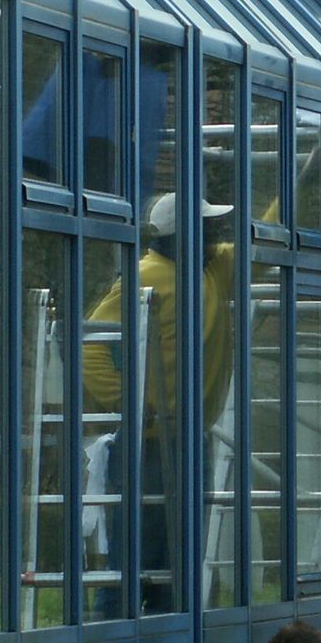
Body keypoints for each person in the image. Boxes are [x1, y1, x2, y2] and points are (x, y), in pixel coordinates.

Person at [81, 191, 239, 612]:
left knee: (177, 571)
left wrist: (302, 176)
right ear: (179, 235)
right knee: (130, 570)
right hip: (149, 446)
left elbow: (254, 242)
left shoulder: (208, 269)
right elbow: (89, 345)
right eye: (206, 227)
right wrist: (132, 401)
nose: (216, 234)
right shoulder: (146, 275)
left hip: (188, 439)